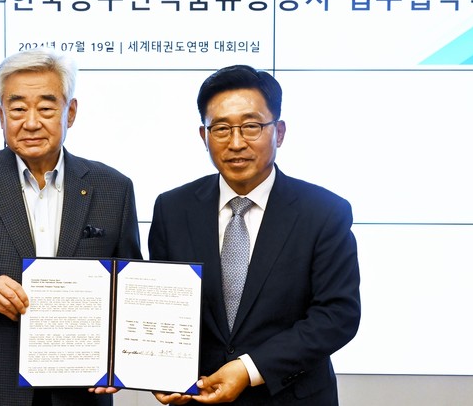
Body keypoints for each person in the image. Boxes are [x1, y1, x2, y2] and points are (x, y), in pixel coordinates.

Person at [0, 47, 141, 406]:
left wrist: (120, 361)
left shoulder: (113, 188)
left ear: (70, 112)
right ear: (0, 114)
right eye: (17, 109)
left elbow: (130, 287)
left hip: (81, 390)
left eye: (46, 108)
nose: (31, 123)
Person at [148, 65, 361, 405]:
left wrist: (248, 368)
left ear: (279, 132)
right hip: (198, 397)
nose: (236, 143)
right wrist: (157, 370)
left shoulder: (324, 212)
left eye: (251, 126)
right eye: (221, 128)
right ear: (204, 136)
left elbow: (337, 316)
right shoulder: (172, 209)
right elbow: (159, 304)